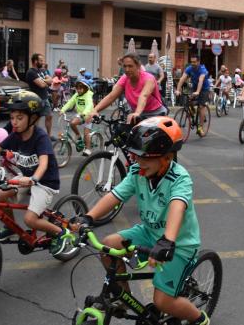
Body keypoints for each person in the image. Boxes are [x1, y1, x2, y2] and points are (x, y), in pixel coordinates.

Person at [70, 117, 209, 325]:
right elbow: (115, 196)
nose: (138, 162)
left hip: (178, 244)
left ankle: (200, 319)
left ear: (167, 157)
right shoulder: (138, 172)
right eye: (136, 156)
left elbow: (177, 207)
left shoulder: (180, 178)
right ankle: (122, 298)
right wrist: (88, 217)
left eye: (145, 157)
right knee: (109, 245)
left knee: (163, 301)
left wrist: (167, 241)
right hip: (149, 232)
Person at [0, 91, 69, 255]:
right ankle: (10, 227)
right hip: (26, 179)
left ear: (32, 118)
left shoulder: (40, 137)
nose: (14, 122)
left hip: (45, 183)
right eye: (12, 118)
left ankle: (60, 233)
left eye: (19, 118)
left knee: (30, 220)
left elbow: (44, 163)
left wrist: (34, 179)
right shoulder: (15, 135)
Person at [89, 52, 167, 124]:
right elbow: (111, 97)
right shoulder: (125, 78)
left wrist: (137, 113)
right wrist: (95, 110)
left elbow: (144, 96)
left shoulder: (149, 78)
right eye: (125, 66)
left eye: (130, 66)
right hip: (137, 114)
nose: (127, 69)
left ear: (138, 66)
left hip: (155, 114)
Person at [176, 55, 210, 136]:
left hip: (204, 89)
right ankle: (193, 112)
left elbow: (201, 80)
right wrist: (177, 90)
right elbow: (182, 79)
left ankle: (200, 127)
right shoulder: (189, 68)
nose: (193, 63)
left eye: (194, 62)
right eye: (191, 62)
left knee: (201, 106)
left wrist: (198, 91)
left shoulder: (202, 69)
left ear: (198, 62)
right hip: (195, 87)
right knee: (189, 99)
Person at [60, 78, 95, 156]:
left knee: (86, 133)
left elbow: (90, 105)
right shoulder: (76, 95)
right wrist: (62, 110)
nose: (78, 90)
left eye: (80, 88)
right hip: (80, 114)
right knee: (72, 123)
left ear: (85, 89)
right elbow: (70, 102)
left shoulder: (88, 96)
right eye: (77, 89)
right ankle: (78, 136)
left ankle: (88, 149)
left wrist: (85, 113)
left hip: (88, 115)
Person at [26, 53, 55, 139]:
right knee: (35, 119)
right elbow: (42, 85)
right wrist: (46, 82)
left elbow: (51, 81)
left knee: (49, 116)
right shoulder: (31, 72)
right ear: (35, 61)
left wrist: (43, 81)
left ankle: (48, 136)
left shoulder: (42, 70)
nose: (43, 62)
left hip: (44, 98)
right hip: (36, 99)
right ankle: (32, 137)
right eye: (41, 60)